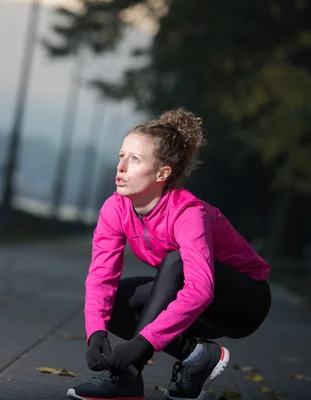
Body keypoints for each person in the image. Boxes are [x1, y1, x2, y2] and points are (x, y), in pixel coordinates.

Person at [66, 107, 271, 400]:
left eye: (134, 159)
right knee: (115, 301)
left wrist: (144, 344)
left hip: (242, 302)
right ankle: (196, 356)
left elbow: (200, 289)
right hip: (192, 301)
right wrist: (95, 333)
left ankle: (127, 376)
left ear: (162, 173)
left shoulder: (188, 212)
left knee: (176, 261)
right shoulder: (115, 208)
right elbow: (101, 277)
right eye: (121, 156)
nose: (121, 167)